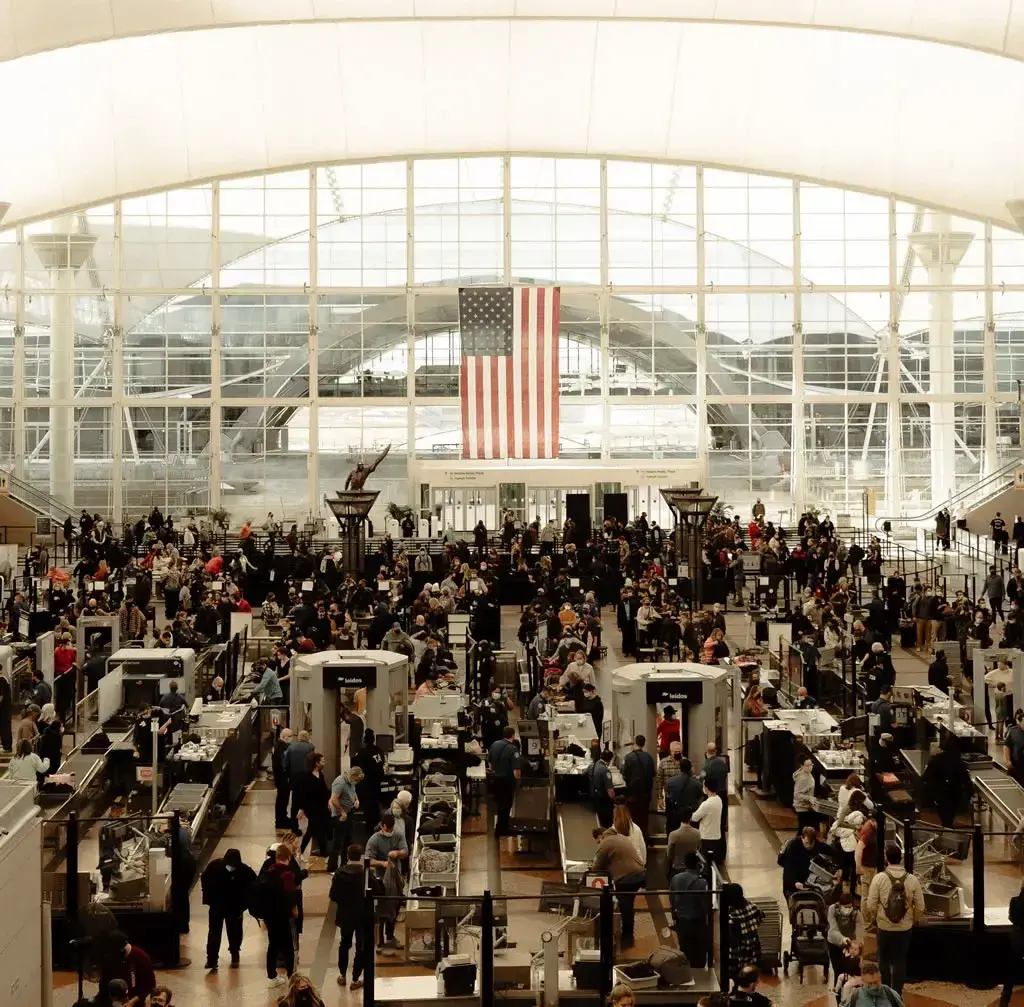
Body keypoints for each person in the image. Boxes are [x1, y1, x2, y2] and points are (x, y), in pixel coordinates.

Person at [863, 843, 925, 995]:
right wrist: (914, 920)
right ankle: (896, 994)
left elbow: (870, 904)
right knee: (899, 961)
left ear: (886, 858)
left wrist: (875, 919)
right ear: (901, 858)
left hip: (884, 927)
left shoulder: (879, 878)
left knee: (883, 960)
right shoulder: (912, 879)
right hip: (904, 928)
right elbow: (921, 906)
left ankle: (884, 991)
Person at [201, 848, 257, 970]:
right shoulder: (244, 870)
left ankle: (212, 959)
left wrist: (208, 897)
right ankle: (234, 953)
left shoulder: (214, 866)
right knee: (235, 932)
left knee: (214, 932)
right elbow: (253, 885)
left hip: (217, 906)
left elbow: (204, 880)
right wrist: (245, 904)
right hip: (235, 908)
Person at [592, 825, 647, 948]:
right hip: (639, 874)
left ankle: (627, 939)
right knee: (628, 906)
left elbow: (596, 867)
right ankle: (627, 935)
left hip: (627, 878)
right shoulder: (620, 837)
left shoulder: (605, 842)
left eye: (598, 841)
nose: (598, 844)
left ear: (600, 836)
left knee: (626, 908)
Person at [365, 811, 409, 950]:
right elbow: (368, 861)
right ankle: (380, 940)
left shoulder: (398, 834)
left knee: (394, 908)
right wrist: (383, 864)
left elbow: (405, 850)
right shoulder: (374, 840)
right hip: (380, 880)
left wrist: (398, 853)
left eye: (391, 829)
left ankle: (390, 936)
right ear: (382, 826)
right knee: (381, 909)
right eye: (387, 829)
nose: (389, 831)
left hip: (395, 879)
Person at [260, 843, 298, 987]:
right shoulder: (287, 873)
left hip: (269, 915)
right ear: (288, 857)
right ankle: (291, 976)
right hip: (282, 915)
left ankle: (271, 976)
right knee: (288, 946)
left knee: (272, 945)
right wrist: (294, 909)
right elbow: (290, 895)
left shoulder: (269, 870)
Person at [330, 842, 367, 990]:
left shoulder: (339, 873)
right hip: (361, 916)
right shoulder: (365, 873)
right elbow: (376, 891)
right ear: (361, 857)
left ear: (347, 856)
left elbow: (333, 895)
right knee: (360, 946)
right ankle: (356, 979)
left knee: (344, 944)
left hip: (345, 915)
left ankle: (342, 975)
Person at [670, 851, 709, 967]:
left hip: (681, 920)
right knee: (699, 951)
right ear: (698, 865)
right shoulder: (701, 882)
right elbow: (704, 905)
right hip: (697, 921)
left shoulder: (676, 878)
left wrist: (674, 914)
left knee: (685, 948)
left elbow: (671, 898)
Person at [778, 826, 837, 899]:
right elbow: (788, 868)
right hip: (792, 882)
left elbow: (834, 853)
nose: (808, 846)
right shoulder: (792, 846)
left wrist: (839, 868)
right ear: (802, 838)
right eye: (806, 843)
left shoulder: (816, 845)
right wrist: (794, 882)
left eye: (811, 843)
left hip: (806, 880)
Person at [923, 736, 971, 827]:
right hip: (954, 794)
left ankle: (946, 828)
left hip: (939, 794)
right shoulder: (959, 762)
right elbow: (965, 780)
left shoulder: (935, 760)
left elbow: (926, 777)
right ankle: (947, 827)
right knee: (950, 816)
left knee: (944, 816)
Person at [722, 884, 763, 981]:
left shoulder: (730, 914)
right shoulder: (753, 907)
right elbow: (759, 920)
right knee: (747, 974)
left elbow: (730, 935)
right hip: (753, 948)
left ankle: (737, 989)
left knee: (736, 974)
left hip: (737, 951)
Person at [294, 751, 331, 859]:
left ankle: (301, 851)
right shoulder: (306, 776)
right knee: (317, 830)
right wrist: (301, 809)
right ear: (316, 762)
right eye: (322, 760)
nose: (324, 762)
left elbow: (324, 791)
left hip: (321, 806)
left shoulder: (320, 774)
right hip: (312, 808)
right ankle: (323, 853)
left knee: (313, 830)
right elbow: (302, 793)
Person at [104, 931, 156, 1007]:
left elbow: (149, 987)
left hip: (135, 1001)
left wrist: (133, 1001)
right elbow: (105, 981)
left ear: (123, 950)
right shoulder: (111, 958)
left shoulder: (142, 958)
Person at [327, 765, 363, 873]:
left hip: (349, 813)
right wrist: (342, 812)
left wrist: (356, 800)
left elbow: (353, 791)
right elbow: (334, 800)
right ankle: (332, 868)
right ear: (352, 776)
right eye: (356, 780)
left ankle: (344, 865)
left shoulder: (351, 782)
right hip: (340, 816)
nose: (356, 782)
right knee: (338, 842)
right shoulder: (340, 783)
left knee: (347, 841)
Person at [487, 725, 522, 837]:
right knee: (506, 806)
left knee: (500, 805)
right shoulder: (513, 749)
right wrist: (518, 782)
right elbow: (516, 771)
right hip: (507, 781)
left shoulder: (494, 744)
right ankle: (503, 830)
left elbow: (490, 764)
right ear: (513, 735)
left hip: (496, 780)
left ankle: (499, 828)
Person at [621, 734, 655, 837]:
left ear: (635, 743)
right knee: (644, 818)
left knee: (632, 819)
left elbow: (624, 773)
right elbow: (653, 773)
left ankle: (633, 839)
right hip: (646, 794)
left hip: (633, 794)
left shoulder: (628, 757)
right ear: (644, 744)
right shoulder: (649, 757)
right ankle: (644, 839)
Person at [826, 891, 865, 980]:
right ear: (840, 904)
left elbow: (860, 930)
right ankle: (838, 992)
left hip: (850, 945)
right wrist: (842, 939)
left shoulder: (856, 913)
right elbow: (833, 928)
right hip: (834, 942)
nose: (848, 909)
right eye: (845, 907)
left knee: (848, 970)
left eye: (849, 907)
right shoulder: (832, 909)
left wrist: (859, 944)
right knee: (837, 970)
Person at [665, 756, 704, 836]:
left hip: (675, 816)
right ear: (690, 768)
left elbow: (668, 795)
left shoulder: (670, 782)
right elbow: (699, 796)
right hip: (691, 816)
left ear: (680, 768)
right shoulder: (697, 784)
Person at [1001, 879, 1024, 1007]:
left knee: (1011, 966)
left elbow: (1011, 918)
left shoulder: (1015, 901)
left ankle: (1006, 994)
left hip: (1018, 938)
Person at [691, 779, 724, 864]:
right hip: (716, 835)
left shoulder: (706, 804)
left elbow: (694, 818)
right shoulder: (719, 800)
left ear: (707, 788)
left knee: (705, 861)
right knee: (713, 862)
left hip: (706, 836)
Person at [667, 806, 702, 876]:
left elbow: (669, 854)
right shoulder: (697, 833)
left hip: (677, 867)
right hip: (692, 868)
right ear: (690, 818)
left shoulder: (673, 835)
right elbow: (698, 848)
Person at [588, 748, 616, 828]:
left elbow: (585, 773)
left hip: (594, 799)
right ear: (610, 760)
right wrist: (614, 800)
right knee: (607, 824)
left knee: (600, 823)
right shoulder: (605, 771)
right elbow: (610, 791)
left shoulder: (593, 765)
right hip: (604, 801)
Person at [273, 728, 293, 831]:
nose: (291, 738)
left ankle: (283, 818)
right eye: (290, 736)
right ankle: (280, 820)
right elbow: (283, 763)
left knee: (283, 799)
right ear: (284, 736)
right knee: (282, 799)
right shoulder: (282, 747)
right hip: (282, 779)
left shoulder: (279, 745)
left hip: (281, 779)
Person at [792, 757, 817, 833]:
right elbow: (797, 795)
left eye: (811, 765)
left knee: (803, 830)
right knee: (803, 831)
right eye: (807, 765)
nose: (810, 767)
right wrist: (809, 798)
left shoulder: (805, 773)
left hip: (805, 806)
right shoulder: (803, 778)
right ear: (801, 766)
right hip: (803, 807)